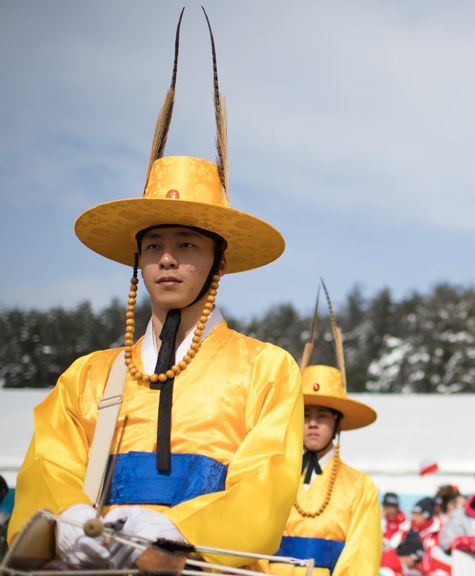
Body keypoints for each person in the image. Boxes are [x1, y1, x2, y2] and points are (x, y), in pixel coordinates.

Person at [7, 10, 303, 570]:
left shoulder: (266, 369)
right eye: (153, 245)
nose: (167, 259)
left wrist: (173, 530)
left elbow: (267, 477)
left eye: (187, 244)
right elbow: (49, 463)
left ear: (219, 257)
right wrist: (69, 520)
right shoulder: (87, 377)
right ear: (138, 260)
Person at [269, 282, 382, 575]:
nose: (313, 423)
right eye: (306, 414)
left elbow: (362, 560)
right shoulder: (271, 476)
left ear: (337, 423)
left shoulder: (360, 488)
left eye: (323, 415)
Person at [409, 497, 452, 575]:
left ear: (426, 515)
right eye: (413, 514)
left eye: (417, 514)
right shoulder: (408, 529)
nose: (413, 517)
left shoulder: (440, 529)